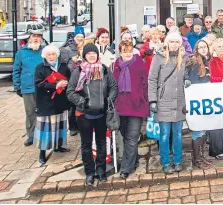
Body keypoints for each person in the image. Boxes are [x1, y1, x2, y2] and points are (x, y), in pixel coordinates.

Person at [66, 43, 118, 185]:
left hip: (101, 113)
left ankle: (100, 170)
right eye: (88, 54)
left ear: (97, 55)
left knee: (101, 143)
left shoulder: (104, 70)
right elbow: (70, 91)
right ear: (85, 56)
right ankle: (89, 172)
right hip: (84, 114)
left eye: (93, 53)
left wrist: (109, 100)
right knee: (86, 144)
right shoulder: (78, 71)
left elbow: (113, 87)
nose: (91, 56)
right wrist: (83, 102)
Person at [148, 32, 187, 174]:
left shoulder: (182, 57)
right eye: (172, 42)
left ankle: (177, 161)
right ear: (167, 43)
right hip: (163, 100)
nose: (175, 44)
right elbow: (152, 79)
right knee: (164, 134)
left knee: (177, 133)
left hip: (179, 100)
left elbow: (185, 75)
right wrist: (152, 99)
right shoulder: (158, 57)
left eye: (177, 42)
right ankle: (165, 162)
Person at [112, 41, 149, 178]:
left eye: (129, 51)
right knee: (124, 135)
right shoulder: (115, 66)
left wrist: (145, 101)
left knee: (132, 137)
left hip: (136, 106)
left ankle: (125, 169)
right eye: (124, 51)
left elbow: (145, 84)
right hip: (120, 106)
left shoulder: (139, 64)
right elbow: (112, 85)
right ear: (120, 52)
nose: (127, 53)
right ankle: (133, 161)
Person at [33, 45, 71, 165]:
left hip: (60, 101)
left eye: (53, 54)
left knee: (59, 125)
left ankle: (58, 146)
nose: (51, 56)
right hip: (46, 103)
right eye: (49, 54)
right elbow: (38, 84)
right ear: (45, 56)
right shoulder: (40, 68)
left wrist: (66, 83)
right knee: (46, 128)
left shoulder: (63, 66)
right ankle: (42, 152)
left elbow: (70, 79)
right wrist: (55, 86)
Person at [184, 40, 214, 169]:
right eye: (200, 47)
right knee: (198, 130)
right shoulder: (196, 62)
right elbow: (194, 83)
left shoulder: (206, 61)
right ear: (196, 49)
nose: (203, 49)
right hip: (198, 101)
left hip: (205, 99)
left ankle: (201, 155)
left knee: (203, 129)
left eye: (205, 47)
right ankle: (197, 159)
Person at [13, 29, 45, 146]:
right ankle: (31, 135)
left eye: (38, 36)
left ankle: (42, 134)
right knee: (30, 112)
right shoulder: (21, 53)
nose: (36, 38)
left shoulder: (44, 51)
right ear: (29, 37)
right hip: (28, 87)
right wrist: (17, 86)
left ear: (41, 38)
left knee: (42, 111)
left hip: (43, 87)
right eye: (34, 36)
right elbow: (16, 70)